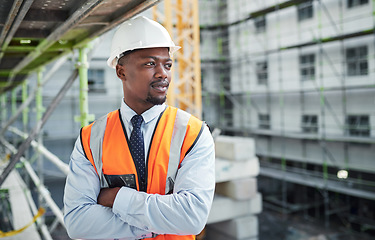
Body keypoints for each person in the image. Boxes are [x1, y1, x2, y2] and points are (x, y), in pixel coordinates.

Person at [63, 16, 215, 240]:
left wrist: (117, 198)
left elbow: (191, 218)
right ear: (121, 72)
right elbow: (77, 222)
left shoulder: (193, 133)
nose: (163, 73)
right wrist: (156, 225)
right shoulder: (91, 138)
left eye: (168, 64)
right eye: (150, 63)